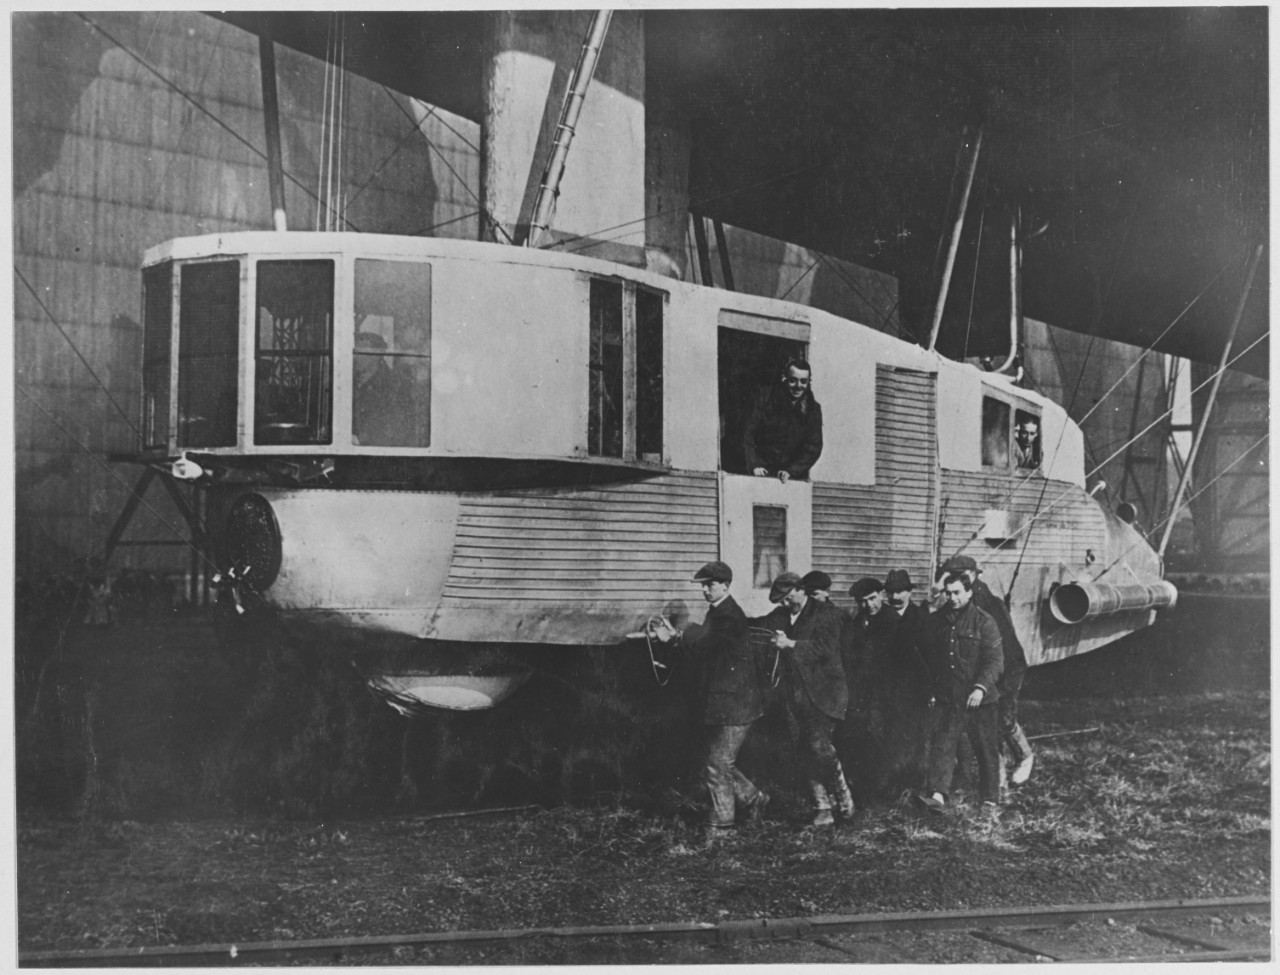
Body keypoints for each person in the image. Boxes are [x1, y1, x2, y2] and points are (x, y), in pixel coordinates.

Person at [650, 561, 770, 844]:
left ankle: (723, 829)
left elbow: (704, 648)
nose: (705, 590)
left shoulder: (728, 616)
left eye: (710, 585)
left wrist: (672, 639)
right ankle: (754, 799)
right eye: (703, 585)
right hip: (729, 702)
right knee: (719, 762)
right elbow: (705, 640)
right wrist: (677, 636)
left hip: (736, 704)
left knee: (717, 765)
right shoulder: (718, 613)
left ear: (725, 586)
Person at [756, 571, 855, 826]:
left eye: (789, 598)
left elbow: (826, 650)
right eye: (782, 601)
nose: (786, 604)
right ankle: (822, 805)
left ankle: (843, 794)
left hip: (823, 693)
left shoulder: (825, 614)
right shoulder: (783, 615)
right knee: (802, 748)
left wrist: (790, 644)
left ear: (801, 589)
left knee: (819, 747)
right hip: (794, 694)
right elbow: (758, 624)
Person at [939, 554, 1035, 786]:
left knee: (1003, 718)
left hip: (1008, 666)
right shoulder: (962, 598)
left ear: (973, 575)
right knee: (988, 722)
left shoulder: (984, 600)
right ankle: (997, 780)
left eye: (962, 575)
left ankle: (1024, 757)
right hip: (986, 668)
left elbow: (998, 647)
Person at [919, 572, 1003, 814]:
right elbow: (931, 659)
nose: (952, 598)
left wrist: (980, 687)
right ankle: (937, 795)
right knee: (942, 745)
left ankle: (989, 799)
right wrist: (933, 689)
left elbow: (995, 660)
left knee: (986, 749)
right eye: (948, 593)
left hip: (980, 699)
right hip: (949, 696)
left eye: (957, 593)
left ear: (969, 592)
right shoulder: (938, 621)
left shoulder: (984, 621)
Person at [840, 576, 901, 802]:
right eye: (863, 601)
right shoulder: (859, 621)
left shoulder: (892, 621)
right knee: (858, 735)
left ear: (882, 595)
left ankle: (880, 789)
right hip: (861, 691)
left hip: (885, 692)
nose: (869, 605)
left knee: (879, 736)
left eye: (873, 598)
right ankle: (863, 785)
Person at [742, 358, 823, 482]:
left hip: (788, 477)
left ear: (808, 382)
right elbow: (746, 434)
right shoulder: (764, 397)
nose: (798, 386)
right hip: (757, 472)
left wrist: (792, 470)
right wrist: (754, 464)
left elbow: (813, 447)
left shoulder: (813, 409)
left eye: (803, 381)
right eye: (793, 380)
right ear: (784, 378)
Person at [353, 331, 415, 446]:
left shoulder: (395, 385)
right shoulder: (349, 381)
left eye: (362, 352)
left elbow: (398, 425)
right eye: (355, 352)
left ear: (377, 355)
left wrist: (360, 439)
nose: (356, 357)